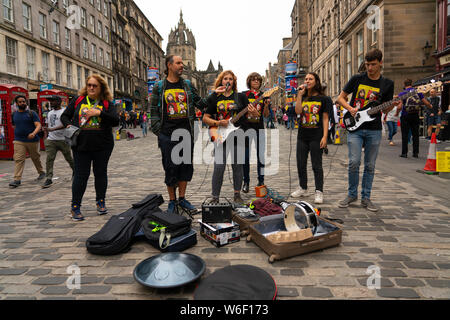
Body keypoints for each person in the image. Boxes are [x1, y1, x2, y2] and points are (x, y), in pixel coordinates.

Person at [337, 48, 399, 212]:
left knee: (370, 165)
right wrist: (350, 108)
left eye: (373, 64)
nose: (369, 68)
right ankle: (352, 194)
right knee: (354, 162)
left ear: (380, 63)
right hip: (355, 127)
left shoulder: (387, 84)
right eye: (367, 64)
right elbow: (340, 98)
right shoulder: (357, 78)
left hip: (374, 129)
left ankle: (366, 198)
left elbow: (384, 110)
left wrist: (393, 104)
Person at [150, 55, 207, 214]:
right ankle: (172, 201)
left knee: (185, 167)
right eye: (178, 63)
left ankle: (182, 199)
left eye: (182, 62)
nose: (182, 65)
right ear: (169, 65)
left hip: (186, 133)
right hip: (167, 134)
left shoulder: (187, 85)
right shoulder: (160, 86)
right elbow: (153, 110)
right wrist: (158, 131)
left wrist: (215, 94)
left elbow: (201, 103)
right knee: (170, 168)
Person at [61, 74, 119, 221]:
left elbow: (115, 120)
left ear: (101, 88)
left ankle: (101, 202)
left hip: (103, 146)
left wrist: (99, 113)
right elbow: (64, 116)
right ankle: (75, 207)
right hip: (81, 146)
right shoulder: (78, 100)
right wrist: (69, 125)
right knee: (81, 176)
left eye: (95, 86)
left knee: (100, 173)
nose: (91, 88)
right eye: (89, 85)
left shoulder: (106, 103)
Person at [203, 70, 256, 204]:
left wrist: (253, 113)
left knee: (237, 166)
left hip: (238, 135)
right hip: (220, 135)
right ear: (221, 81)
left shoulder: (241, 97)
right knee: (219, 167)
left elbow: (252, 117)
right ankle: (215, 197)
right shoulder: (215, 97)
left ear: (234, 82)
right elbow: (205, 118)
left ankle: (237, 194)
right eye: (225, 79)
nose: (228, 81)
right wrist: (218, 123)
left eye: (231, 79)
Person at [290, 73, 331, 204]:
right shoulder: (303, 96)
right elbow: (297, 111)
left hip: (316, 135)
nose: (307, 81)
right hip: (302, 135)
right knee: (300, 163)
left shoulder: (324, 99)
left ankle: (319, 191)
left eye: (310, 79)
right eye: (306, 79)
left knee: (316, 165)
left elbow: (325, 118)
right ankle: (303, 187)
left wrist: (325, 136)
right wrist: (299, 96)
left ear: (316, 81)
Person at [9, 96, 46, 188]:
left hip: (32, 140)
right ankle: (17, 179)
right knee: (19, 159)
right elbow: (14, 125)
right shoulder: (14, 114)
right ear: (16, 104)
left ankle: (41, 172)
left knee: (35, 157)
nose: (23, 103)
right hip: (19, 140)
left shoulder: (31, 113)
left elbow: (38, 125)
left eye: (24, 101)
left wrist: (33, 133)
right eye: (20, 102)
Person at [241, 72, 269, 193]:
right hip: (246, 129)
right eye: (253, 80)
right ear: (249, 82)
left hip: (259, 128)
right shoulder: (243, 95)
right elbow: (240, 112)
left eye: (258, 80)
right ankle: (246, 181)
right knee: (245, 157)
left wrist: (267, 105)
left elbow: (266, 115)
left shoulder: (265, 95)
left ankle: (261, 180)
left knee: (260, 156)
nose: (256, 81)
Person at [42, 95, 74, 188]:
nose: (51, 103)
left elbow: (66, 124)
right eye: (50, 101)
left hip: (63, 139)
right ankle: (48, 178)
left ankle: (75, 171)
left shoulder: (64, 111)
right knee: (49, 159)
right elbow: (47, 125)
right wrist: (46, 137)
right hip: (51, 140)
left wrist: (52, 129)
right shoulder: (49, 113)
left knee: (69, 158)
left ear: (59, 102)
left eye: (53, 101)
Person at [398, 79, 432, 158]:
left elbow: (400, 106)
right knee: (415, 135)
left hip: (405, 115)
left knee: (405, 135)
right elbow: (425, 102)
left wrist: (397, 112)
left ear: (404, 84)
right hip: (415, 115)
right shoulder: (418, 92)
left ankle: (404, 153)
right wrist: (430, 106)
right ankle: (415, 153)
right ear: (411, 84)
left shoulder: (402, 93)